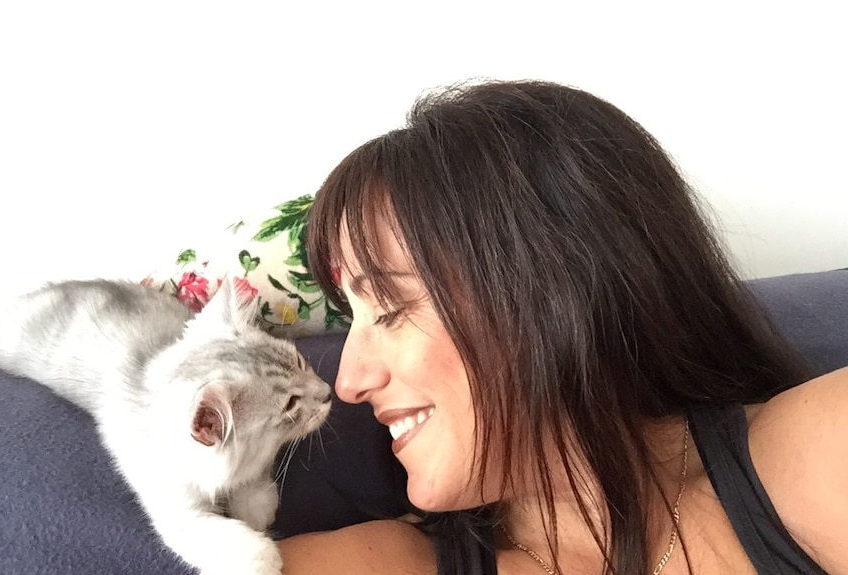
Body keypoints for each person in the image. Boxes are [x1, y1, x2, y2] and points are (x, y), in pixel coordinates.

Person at [277, 79, 847, 574]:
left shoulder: (818, 459)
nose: (347, 381)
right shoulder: (368, 565)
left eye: (391, 307)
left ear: (551, 287)